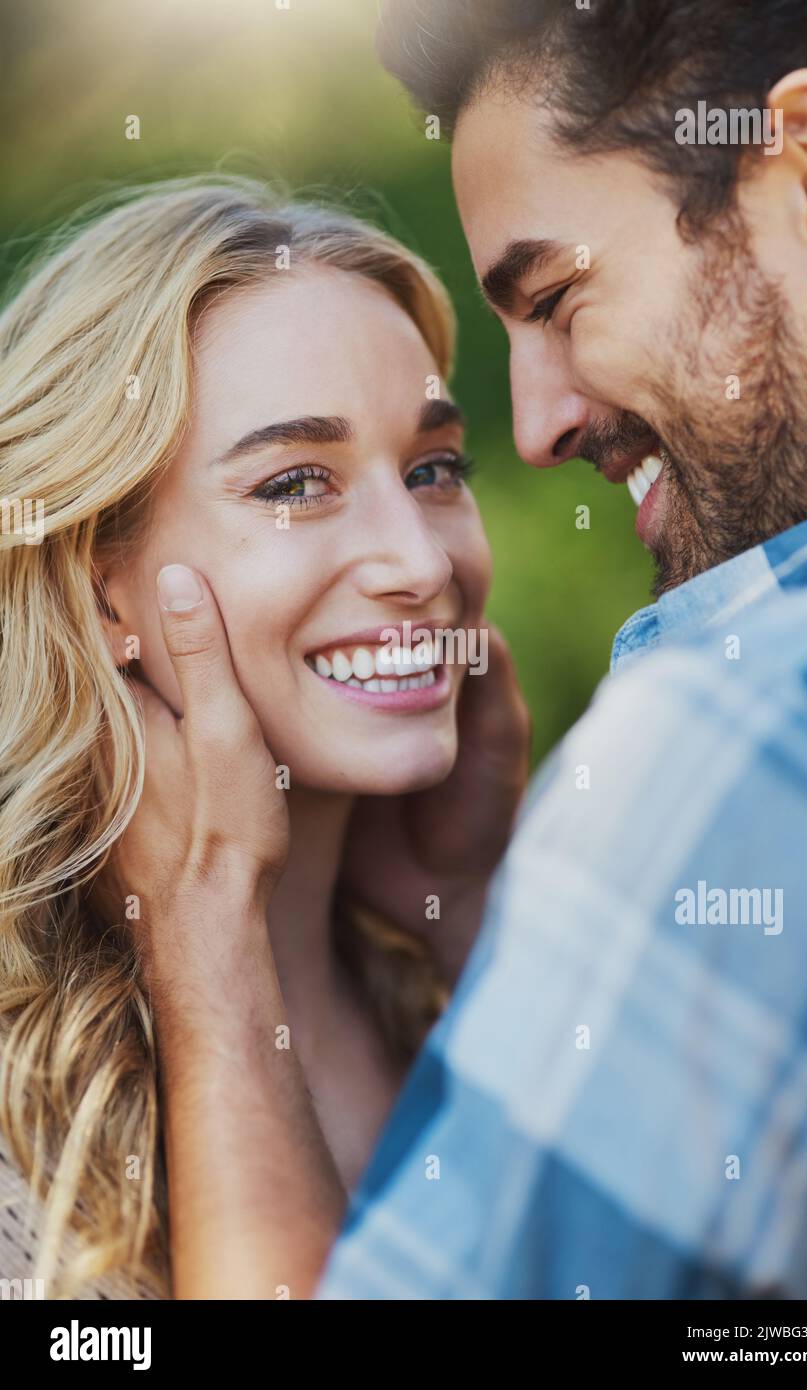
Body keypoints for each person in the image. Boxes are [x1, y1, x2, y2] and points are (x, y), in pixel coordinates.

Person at [123, 0, 807, 1299]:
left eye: (561, 295)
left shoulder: (742, 731)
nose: (530, 427)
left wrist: (212, 974)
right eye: (295, 480)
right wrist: (485, 919)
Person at [0, 173, 529, 1299]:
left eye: (434, 468)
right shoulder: (20, 1113)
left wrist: (482, 914)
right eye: (297, 483)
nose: (423, 564)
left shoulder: (464, 987)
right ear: (101, 586)